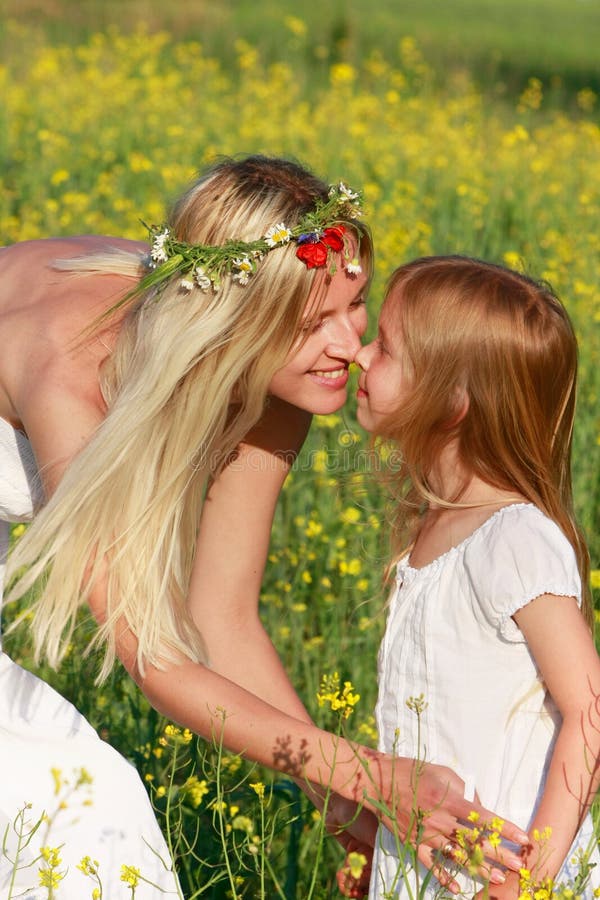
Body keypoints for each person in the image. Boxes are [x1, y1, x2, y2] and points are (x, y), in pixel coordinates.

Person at [0, 159, 527, 898]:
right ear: (233, 321)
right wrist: (373, 776)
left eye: (356, 305)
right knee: (81, 812)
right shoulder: (73, 373)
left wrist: (346, 811)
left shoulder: (280, 379)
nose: (349, 344)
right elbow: (152, 657)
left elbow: (222, 615)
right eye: (314, 323)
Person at [348, 255, 600, 898]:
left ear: (452, 402)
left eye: (388, 346)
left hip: (505, 878)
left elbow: (592, 713)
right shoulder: (438, 528)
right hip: (438, 870)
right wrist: (377, 848)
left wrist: (527, 881)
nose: (359, 353)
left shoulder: (513, 539)